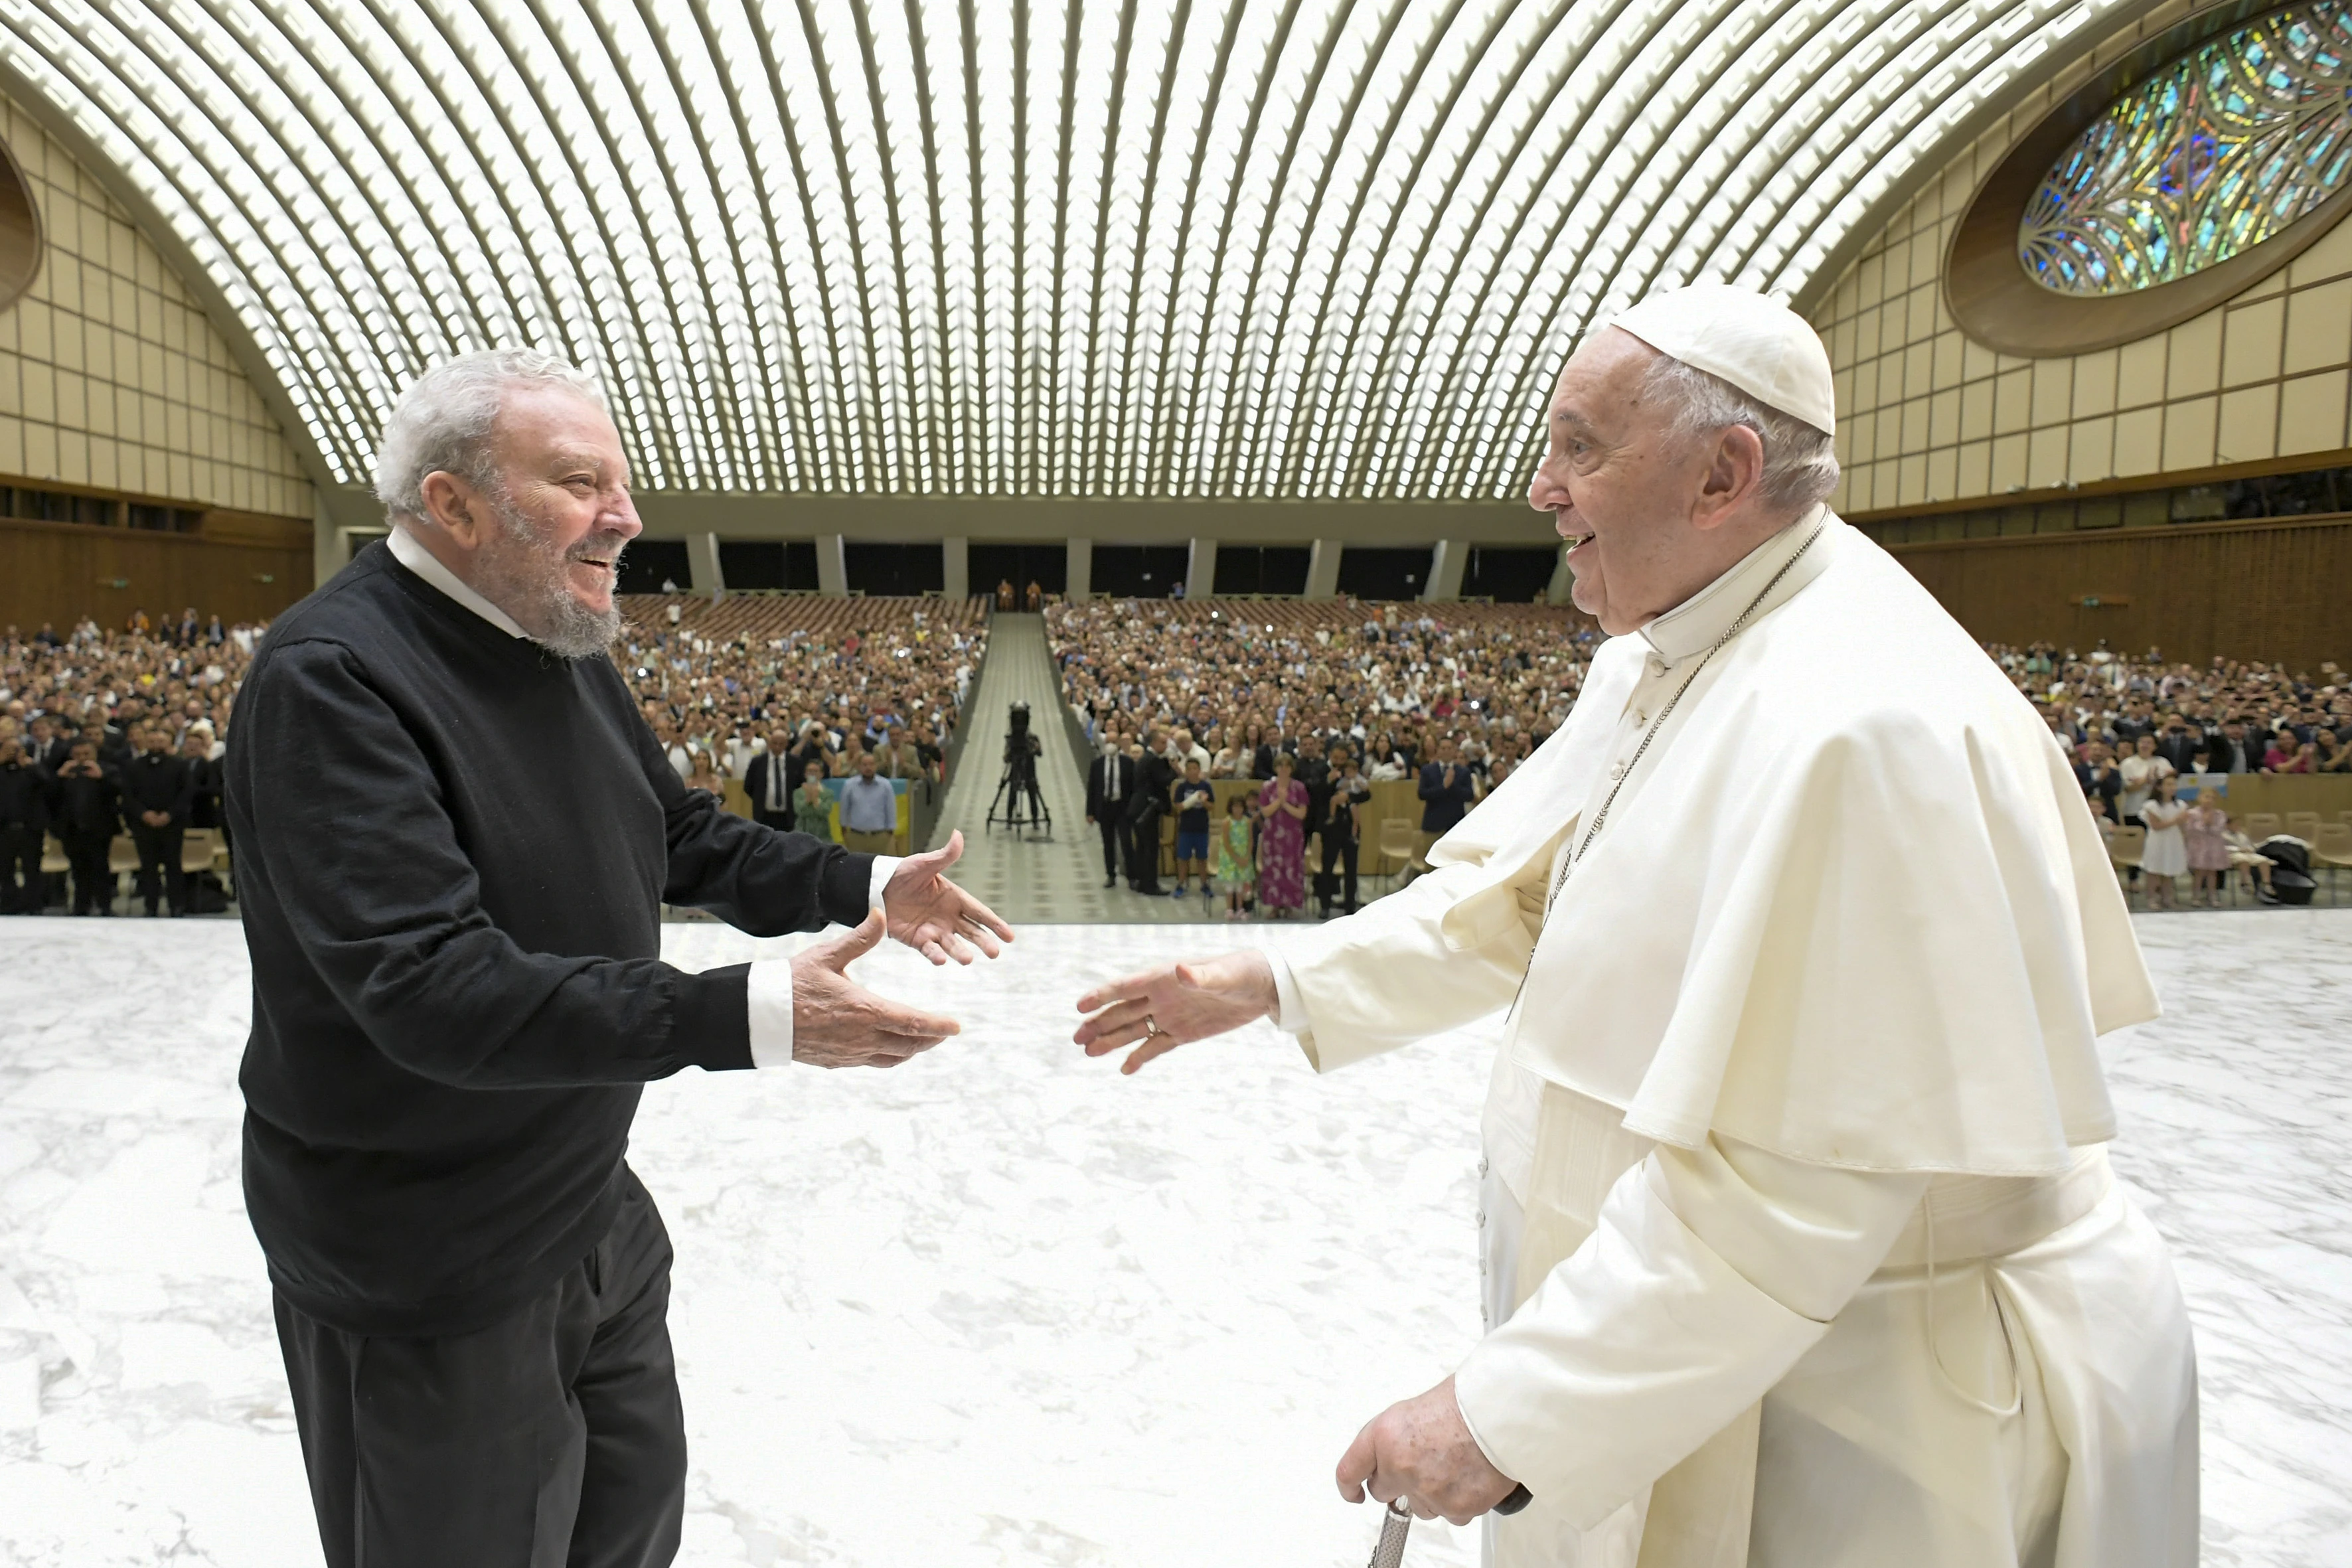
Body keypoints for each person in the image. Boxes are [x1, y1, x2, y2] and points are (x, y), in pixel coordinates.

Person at [1072, 283, 2193, 1567]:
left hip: (1867, 1406)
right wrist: (1272, 979)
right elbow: (1528, 900)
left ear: (1724, 474)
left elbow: (1793, 1181)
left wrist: (1506, 1413)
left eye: (1578, 446)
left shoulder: (1856, 721)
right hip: (1707, 1347)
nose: (1541, 490)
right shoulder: (1667, 649)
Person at [227, 349, 1013, 1568]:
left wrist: (863, 883)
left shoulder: (555, 631)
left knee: (627, 1526)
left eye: (621, 481)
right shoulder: (334, 678)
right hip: (429, 1255)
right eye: (579, 480)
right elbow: (428, 990)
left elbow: (677, 834)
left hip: (586, 1201)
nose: (627, 515)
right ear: (455, 504)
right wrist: (751, 1012)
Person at [120, 723, 193, 917]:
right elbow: (128, 795)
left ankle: (176, 906)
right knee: (148, 867)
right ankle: (150, 906)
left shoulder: (180, 765)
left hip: (172, 823)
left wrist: (169, 814)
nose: (156, 744)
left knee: (173, 866)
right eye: (152, 741)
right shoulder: (133, 766)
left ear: (169, 742)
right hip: (143, 824)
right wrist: (144, 814)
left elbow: (186, 793)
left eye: (161, 741)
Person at [51, 738, 119, 915]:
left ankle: (105, 907)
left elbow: (119, 792)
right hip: (72, 829)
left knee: (101, 869)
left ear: (95, 753)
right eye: (77, 755)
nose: (82, 758)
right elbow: (50, 797)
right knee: (78, 870)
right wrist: (60, 776)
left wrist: (101, 778)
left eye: (86, 754)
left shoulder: (109, 770)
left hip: (99, 829)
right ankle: (81, 907)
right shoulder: (65, 773)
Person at [1254, 753, 1310, 919]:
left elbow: (1301, 814)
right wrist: (1279, 801)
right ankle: (1275, 906)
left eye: (1287, 766)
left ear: (1292, 768)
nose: (1284, 769)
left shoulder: (1299, 787)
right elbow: (1265, 811)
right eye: (1280, 765)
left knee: (1292, 870)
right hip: (1272, 836)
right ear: (1276, 768)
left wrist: (1284, 803)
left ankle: (1290, 905)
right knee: (1273, 870)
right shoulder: (1267, 787)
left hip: (1293, 836)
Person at [1318, 750, 1370, 917]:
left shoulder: (1355, 776)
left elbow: (1367, 795)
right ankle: (1325, 905)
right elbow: (1318, 794)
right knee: (1327, 867)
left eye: (1342, 758)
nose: (1339, 762)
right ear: (1331, 758)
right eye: (1336, 758)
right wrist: (1329, 782)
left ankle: (1350, 906)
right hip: (1331, 829)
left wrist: (1349, 796)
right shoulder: (1324, 772)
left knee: (1351, 868)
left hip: (1350, 828)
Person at [0, 737, 47, 913]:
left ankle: (33, 905)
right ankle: (9, 905)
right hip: (4, 829)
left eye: (16, 749)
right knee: (5, 870)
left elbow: (49, 785)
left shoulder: (31, 770)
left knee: (32, 870)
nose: (13, 753)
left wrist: (31, 766)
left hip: (30, 828)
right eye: (8, 749)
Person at [1127, 726, 1176, 895]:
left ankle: (1142, 882)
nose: (1166, 746)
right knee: (1150, 848)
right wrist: (1173, 770)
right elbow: (1163, 781)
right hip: (1147, 809)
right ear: (1154, 743)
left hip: (1139, 808)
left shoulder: (1144, 759)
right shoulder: (1153, 760)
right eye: (1163, 742)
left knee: (1142, 847)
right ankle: (1150, 885)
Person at [1086, 735, 1138, 890]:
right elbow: (1092, 789)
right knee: (1108, 843)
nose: (1110, 745)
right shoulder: (1097, 764)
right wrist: (1090, 812)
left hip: (1122, 807)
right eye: (1108, 742)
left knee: (1126, 842)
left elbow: (1133, 787)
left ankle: (1132, 876)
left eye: (1113, 742)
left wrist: (1133, 809)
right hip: (1105, 808)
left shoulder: (1127, 763)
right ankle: (1110, 875)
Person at [1416, 735, 1475, 862]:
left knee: (1455, 863)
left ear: (1454, 751)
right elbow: (1422, 794)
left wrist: (1451, 785)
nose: (1446, 751)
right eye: (1443, 748)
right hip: (1433, 824)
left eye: (1449, 748)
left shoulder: (1463, 771)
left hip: (1456, 825)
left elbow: (1469, 796)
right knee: (1430, 864)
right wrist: (1443, 787)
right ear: (1438, 750)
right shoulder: (1427, 770)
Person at [2138, 775, 2187, 910]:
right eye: (2168, 784)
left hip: (2174, 839)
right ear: (2160, 787)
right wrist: (2176, 820)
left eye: (2174, 785)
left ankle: (2168, 898)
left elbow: (2183, 826)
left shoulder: (2181, 805)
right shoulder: (2152, 805)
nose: (2172, 788)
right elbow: (2156, 826)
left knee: (2169, 870)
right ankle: (2151, 898)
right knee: (2154, 870)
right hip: (2157, 840)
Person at [838, 748, 898, 853]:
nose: (868, 768)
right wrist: (844, 829)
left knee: (879, 868)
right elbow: (844, 809)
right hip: (856, 837)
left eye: (871, 764)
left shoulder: (885, 785)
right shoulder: (849, 785)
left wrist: (889, 832)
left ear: (876, 766)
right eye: (865, 765)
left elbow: (890, 809)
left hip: (880, 837)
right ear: (859, 766)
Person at [1172, 761, 1215, 898]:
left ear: (1199, 770)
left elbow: (1211, 806)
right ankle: (1181, 884)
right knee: (1183, 858)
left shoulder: (1205, 786)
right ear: (1186, 771)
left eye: (1195, 768)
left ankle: (1204, 884)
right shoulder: (1182, 787)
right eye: (1189, 769)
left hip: (1202, 828)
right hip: (1186, 829)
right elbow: (1179, 807)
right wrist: (1190, 801)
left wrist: (1203, 801)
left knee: (1202, 858)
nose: (1192, 771)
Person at [2181, 789, 2231, 907]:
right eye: (2207, 797)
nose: (2209, 800)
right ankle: (2196, 896)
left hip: (2214, 847)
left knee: (2212, 872)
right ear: (2200, 798)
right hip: (2199, 847)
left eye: (2213, 798)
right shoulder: (2192, 813)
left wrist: (2211, 824)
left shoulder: (2219, 814)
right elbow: (2190, 830)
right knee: (2199, 873)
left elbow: (2219, 830)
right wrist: (2203, 823)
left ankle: (2212, 896)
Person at [743, 728, 799, 830]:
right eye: (774, 743)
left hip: (788, 815)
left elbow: (799, 786)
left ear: (786, 744)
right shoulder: (758, 762)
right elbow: (748, 786)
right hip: (764, 815)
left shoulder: (795, 762)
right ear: (770, 743)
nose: (777, 747)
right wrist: (759, 798)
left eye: (781, 744)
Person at [1214, 795, 1254, 922]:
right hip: (1230, 859)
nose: (1238, 809)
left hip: (1244, 857)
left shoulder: (1247, 821)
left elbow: (1251, 839)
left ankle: (1241, 909)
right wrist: (1236, 858)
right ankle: (1230, 909)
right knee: (1230, 886)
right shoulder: (1227, 822)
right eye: (1235, 807)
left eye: (1240, 807)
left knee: (1241, 885)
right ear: (1231, 808)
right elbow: (1226, 842)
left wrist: (1247, 856)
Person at [792, 760, 836, 842]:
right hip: (802, 834)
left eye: (816, 771)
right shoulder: (798, 792)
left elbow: (825, 812)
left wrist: (816, 800)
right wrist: (808, 798)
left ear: (821, 774)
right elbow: (799, 811)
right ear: (805, 774)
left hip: (823, 836)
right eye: (809, 771)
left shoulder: (828, 793)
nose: (812, 773)